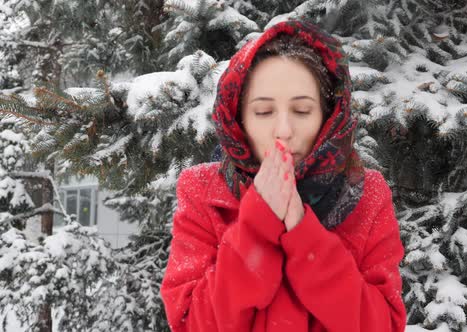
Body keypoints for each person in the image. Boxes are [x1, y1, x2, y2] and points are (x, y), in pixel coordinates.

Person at [160, 19, 406, 332]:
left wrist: (306, 237)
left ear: (327, 115)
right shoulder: (204, 192)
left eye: (302, 111)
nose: (284, 131)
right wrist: (257, 228)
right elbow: (192, 324)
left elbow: (382, 326)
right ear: (239, 119)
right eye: (263, 112)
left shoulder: (365, 195)